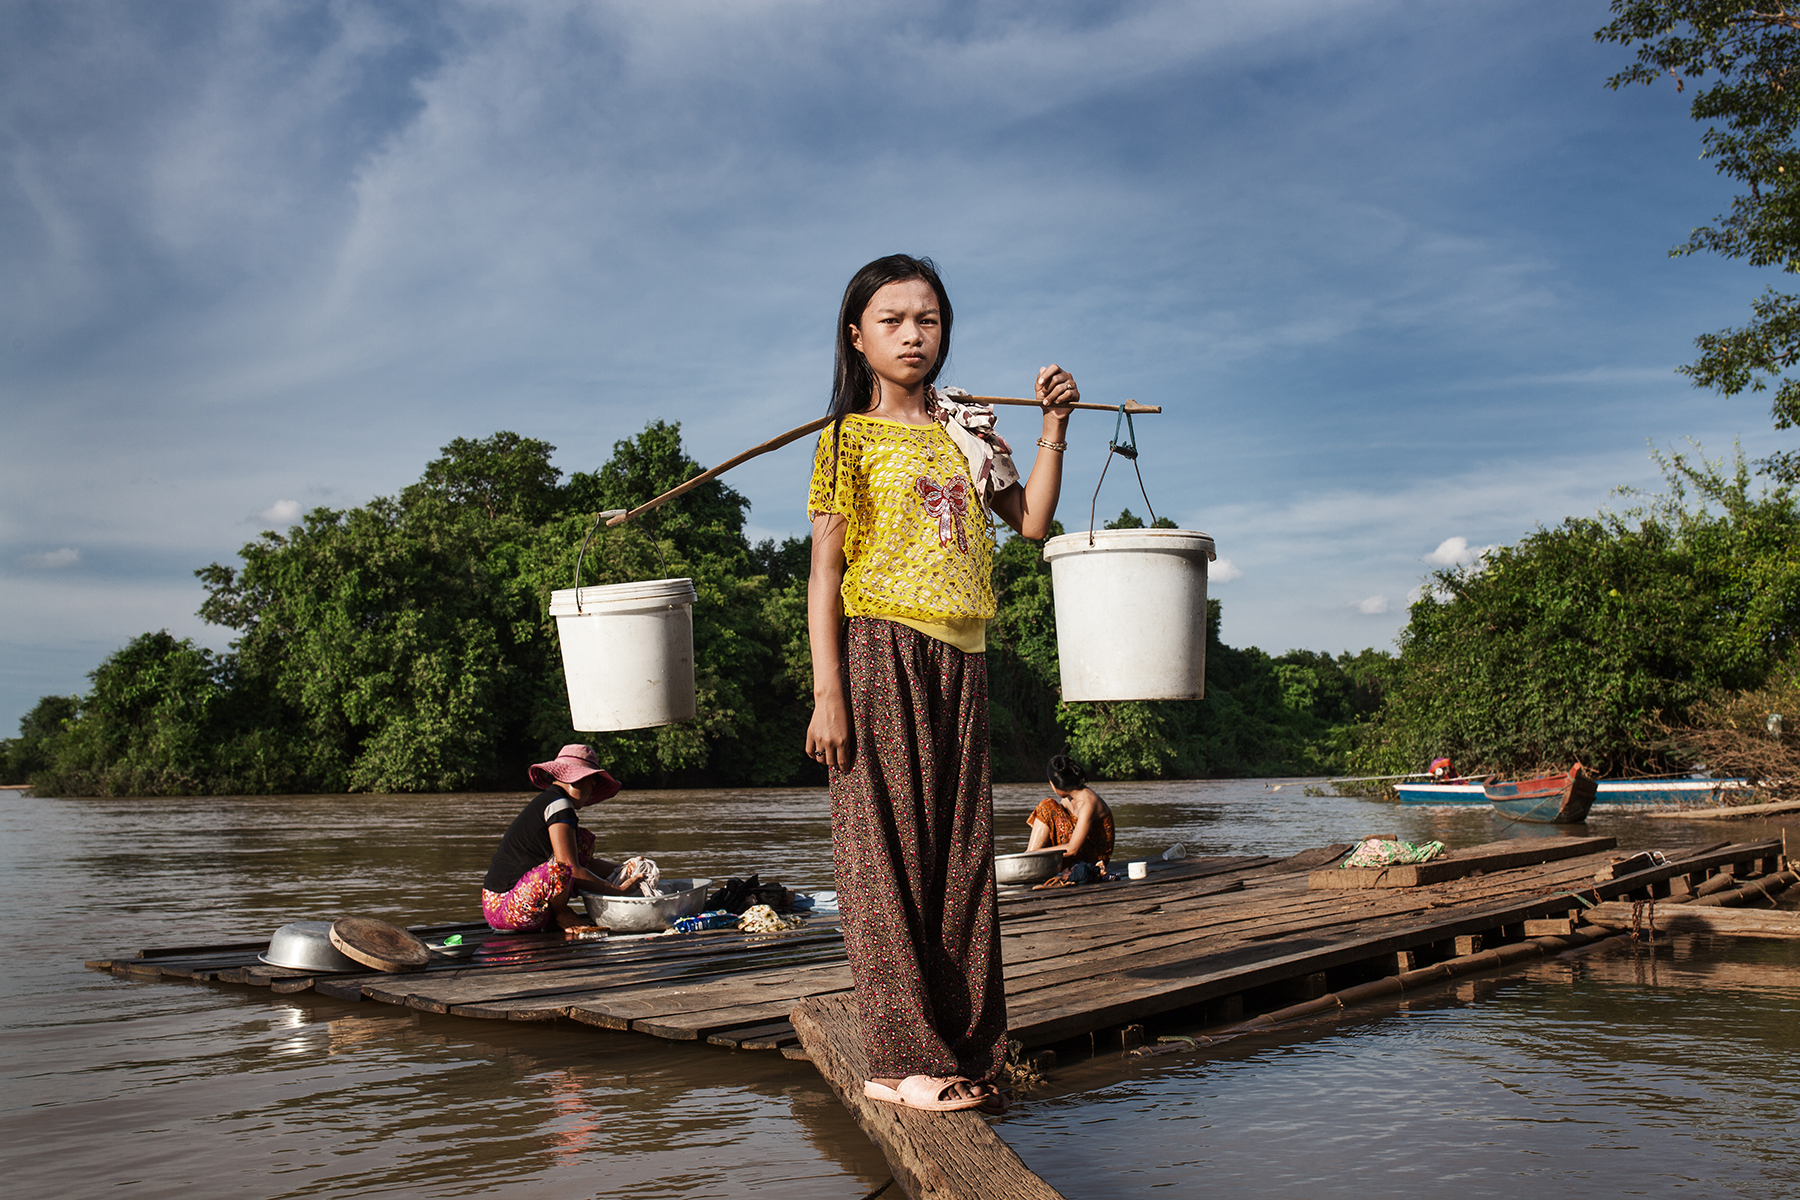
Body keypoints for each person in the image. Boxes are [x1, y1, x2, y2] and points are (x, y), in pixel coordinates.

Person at [805, 253, 1079, 1114]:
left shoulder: (968, 431)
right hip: (880, 650)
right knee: (882, 857)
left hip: (962, 657)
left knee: (961, 860)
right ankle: (897, 1062)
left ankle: (964, 1048)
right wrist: (828, 691)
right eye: (892, 320)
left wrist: (1052, 426)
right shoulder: (846, 437)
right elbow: (824, 571)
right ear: (859, 337)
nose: (913, 334)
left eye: (927, 320)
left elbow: (1031, 523)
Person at [481, 744, 646, 935]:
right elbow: (571, 869)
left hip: (511, 905)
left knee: (582, 840)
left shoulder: (553, 800)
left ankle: (556, 913)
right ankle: (561, 913)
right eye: (592, 784)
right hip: (504, 909)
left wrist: (624, 869)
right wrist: (619, 891)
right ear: (577, 780)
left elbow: (586, 864)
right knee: (560, 869)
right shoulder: (559, 805)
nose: (592, 792)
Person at [1026, 754, 1114, 881]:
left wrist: (1035, 854)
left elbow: (1073, 848)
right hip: (1077, 851)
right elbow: (1053, 826)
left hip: (1093, 859)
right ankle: (1030, 857)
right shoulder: (1068, 798)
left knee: (1046, 805)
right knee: (1047, 807)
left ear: (1058, 786)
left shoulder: (1088, 803)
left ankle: (1030, 858)